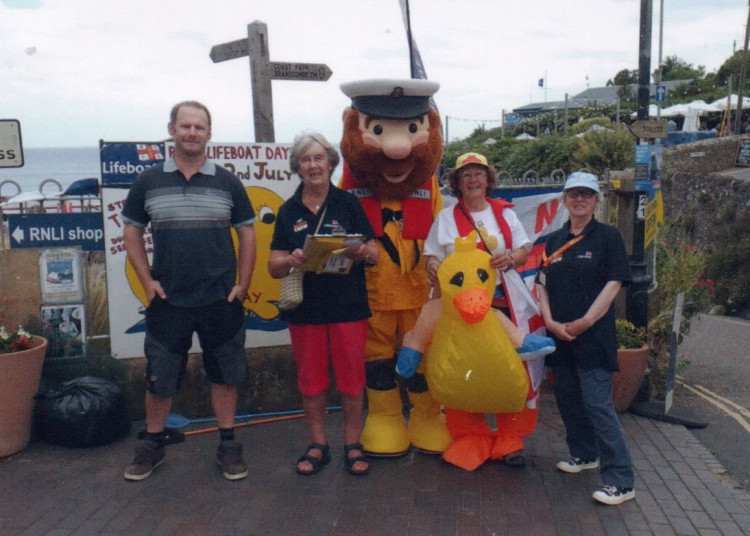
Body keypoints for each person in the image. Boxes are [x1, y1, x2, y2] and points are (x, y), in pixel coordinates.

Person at [121, 101, 257, 482]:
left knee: (224, 377)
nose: (192, 133)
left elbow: (247, 231)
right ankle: (151, 445)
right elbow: (131, 230)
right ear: (172, 129)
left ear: (209, 133)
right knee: (160, 379)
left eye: (199, 127)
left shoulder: (227, 182)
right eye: (185, 126)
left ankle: (228, 445)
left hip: (220, 299)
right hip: (169, 301)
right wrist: (147, 280)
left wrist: (243, 284)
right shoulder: (149, 181)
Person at [268, 131, 378, 476]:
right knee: (312, 382)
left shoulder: (348, 203)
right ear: (297, 167)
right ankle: (318, 443)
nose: (313, 165)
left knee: (351, 379)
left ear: (331, 163)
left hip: (348, 307)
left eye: (319, 158)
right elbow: (273, 265)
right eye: (306, 159)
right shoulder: (288, 211)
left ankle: (352, 443)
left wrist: (362, 251)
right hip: (306, 311)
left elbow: (374, 253)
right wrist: (291, 259)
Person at [422, 151, 538, 467]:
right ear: (457, 182)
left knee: (508, 370)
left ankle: (509, 438)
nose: (473, 180)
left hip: (501, 305)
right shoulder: (446, 219)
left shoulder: (504, 214)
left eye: (478, 174)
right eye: (466, 175)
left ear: (488, 179)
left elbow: (524, 249)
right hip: (458, 313)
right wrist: (433, 267)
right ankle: (469, 436)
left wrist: (512, 258)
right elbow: (431, 255)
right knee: (463, 371)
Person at [535, 171, 636, 506]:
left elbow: (615, 283)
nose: (580, 200)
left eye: (587, 195)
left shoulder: (608, 237)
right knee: (567, 400)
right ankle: (584, 454)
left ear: (596, 201)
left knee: (597, 406)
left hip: (592, 338)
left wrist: (586, 321)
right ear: (565, 199)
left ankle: (620, 480)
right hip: (561, 337)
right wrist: (549, 321)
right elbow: (541, 284)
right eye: (574, 194)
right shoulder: (553, 240)